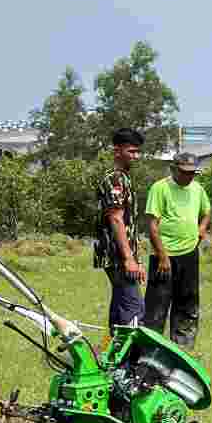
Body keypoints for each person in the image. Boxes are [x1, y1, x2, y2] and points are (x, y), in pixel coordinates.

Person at [144, 151, 212, 349]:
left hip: (189, 253)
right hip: (164, 256)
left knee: (187, 303)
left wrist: (202, 228)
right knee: (157, 306)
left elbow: (207, 211)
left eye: (192, 173)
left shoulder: (197, 189)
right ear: (173, 169)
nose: (189, 176)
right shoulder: (160, 188)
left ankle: (183, 348)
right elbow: (152, 226)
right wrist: (163, 257)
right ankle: (150, 349)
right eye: (184, 172)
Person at [95, 128, 146, 332]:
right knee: (133, 309)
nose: (136, 156)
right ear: (117, 151)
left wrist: (137, 259)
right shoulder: (115, 179)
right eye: (131, 151)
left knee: (120, 308)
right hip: (117, 256)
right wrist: (128, 259)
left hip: (123, 255)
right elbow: (116, 219)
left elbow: (129, 224)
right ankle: (129, 353)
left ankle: (111, 350)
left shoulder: (124, 178)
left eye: (137, 151)